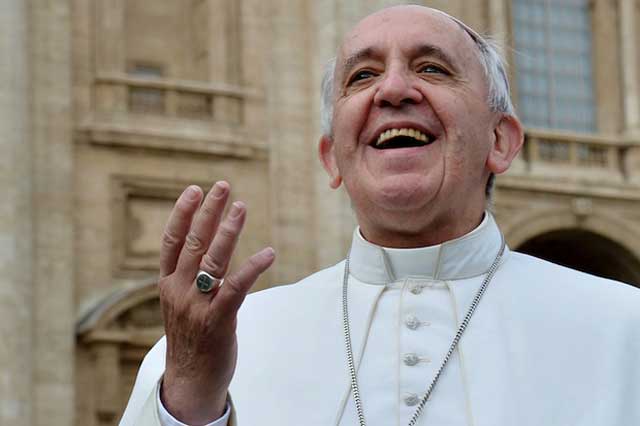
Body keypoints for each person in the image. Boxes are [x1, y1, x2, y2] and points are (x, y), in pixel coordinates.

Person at [120, 5, 640, 426]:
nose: (393, 90)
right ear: (333, 158)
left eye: (432, 68)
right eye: (363, 75)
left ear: (500, 141)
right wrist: (188, 403)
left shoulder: (626, 329)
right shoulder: (213, 348)